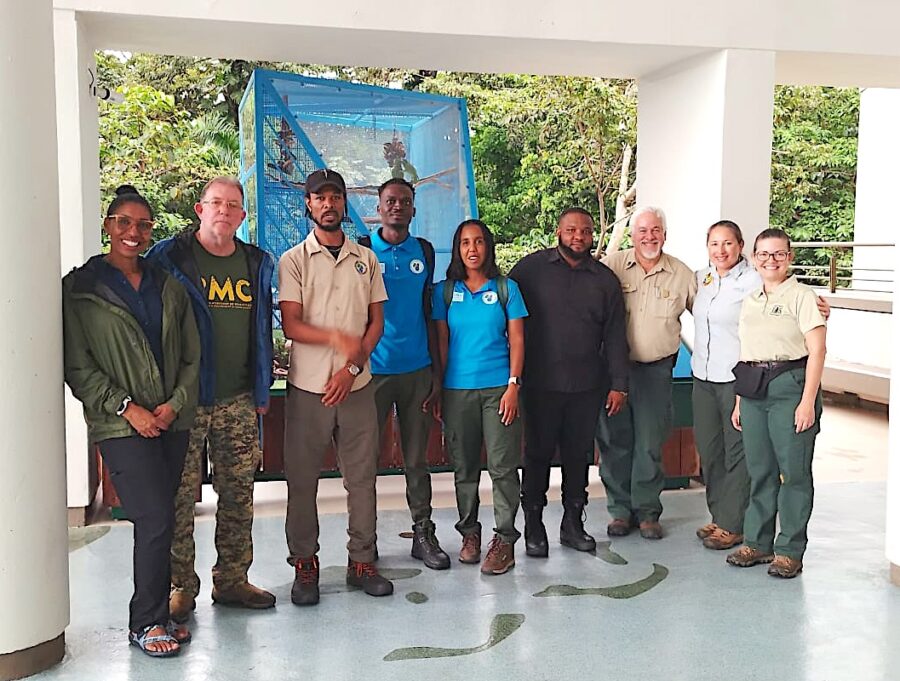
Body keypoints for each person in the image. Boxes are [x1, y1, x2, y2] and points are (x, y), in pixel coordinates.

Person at [63, 185, 200, 657]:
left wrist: (175, 403)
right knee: (155, 516)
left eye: (143, 225)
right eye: (123, 222)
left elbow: (190, 355)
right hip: (120, 425)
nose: (133, 232)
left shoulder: (168, 285)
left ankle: (156, 616)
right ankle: (145, 623)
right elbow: (78, 368)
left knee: (165, 517)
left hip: (170, 421)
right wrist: (128, 408)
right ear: (108, 226)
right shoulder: (79, 289)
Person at [147, 176, 276, 619]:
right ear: (200, 210)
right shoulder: (169, 257)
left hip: (238, 397)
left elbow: (262, 329)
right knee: (179, 497)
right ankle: (181, 586)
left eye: (233, 205)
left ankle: (233, 580)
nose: (224, 210)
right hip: (184, 398)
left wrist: (261, 387)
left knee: (239, 493)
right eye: (215, 203)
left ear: (242, 215)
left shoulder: (257, 262)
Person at [279, 168, 393, 605]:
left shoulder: (366, 259)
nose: (329, 204)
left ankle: (362, 560)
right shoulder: (293, 260)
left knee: (362, 479)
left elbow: (376, 320)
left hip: (357, 384)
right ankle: (305, 565)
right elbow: (291, 323)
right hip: (309, 388)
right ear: (308, 204)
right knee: (302, 480)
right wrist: (333, 340)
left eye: (336, 197)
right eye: (319, 197)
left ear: (345, 203)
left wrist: (351, 366)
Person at [509, 208, 629, 557]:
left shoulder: (605, 279)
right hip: (538, 385)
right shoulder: (529, 270)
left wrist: (618, 383)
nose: (579, 236)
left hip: (587, 386)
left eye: (586, 231)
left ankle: (573, 524)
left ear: (593, 235)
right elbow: (508, 318)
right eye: (571, 230)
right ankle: (533, 526)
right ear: (558, 231)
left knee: (579, 458)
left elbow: (616, 335)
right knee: (537, 455)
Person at [361, 178, 450, 570]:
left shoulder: (425, 252)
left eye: (405, 202)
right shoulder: (362, 251)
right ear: (378, 208)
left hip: (416, 371)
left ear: (414, 209)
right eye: (390, 201)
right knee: (365, 461)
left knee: (417, 459)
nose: (397, 207)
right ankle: (364, 543)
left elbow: (430, 313)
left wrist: (436, 371)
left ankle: (423, 533)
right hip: (373, 373)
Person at [727, 228, 826, 578]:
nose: (771, 260)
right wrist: (740, 401)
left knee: (794, 472)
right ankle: (757, 543)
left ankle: (789, 550)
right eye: (764, 254)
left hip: (790, 385)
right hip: (753, 390)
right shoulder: (751, 300)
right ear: (754, 259)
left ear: (790, 258)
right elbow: (745, 352)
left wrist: (807, 402)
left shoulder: (803, 296)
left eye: (779, 254)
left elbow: (817, 351)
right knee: (761, 471)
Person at [432, 219, 528, 575]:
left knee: (503, 468)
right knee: (465, 468)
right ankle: (469, 534)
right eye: (465, 243)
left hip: (499, 391)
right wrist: (439, 388)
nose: (472, 249)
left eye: (479, 242)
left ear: (488, 246)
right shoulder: (444, 292)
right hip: (458, 392)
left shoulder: (507, 289)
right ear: (457, 249)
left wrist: (513, 385)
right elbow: (441, 343)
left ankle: (504, 541)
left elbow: (517, 339)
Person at [596, 206, 696, 540]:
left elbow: (714, 311)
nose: (649, 236)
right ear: (632, 235)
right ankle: (620, 511)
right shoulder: (611, 268)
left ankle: (648, 511)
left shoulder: (682, 274)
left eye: (655, 230)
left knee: (650, 443)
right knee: (614, 442)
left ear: (664, 234)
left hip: (656, 371)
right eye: (642, 231)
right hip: (614, 373)